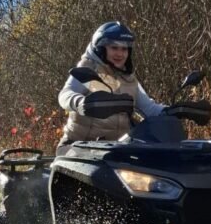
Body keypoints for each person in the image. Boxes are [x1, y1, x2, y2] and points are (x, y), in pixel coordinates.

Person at [56, 21, 165, 154]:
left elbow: (149, 108)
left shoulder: (129, 78)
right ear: (101, 48)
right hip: (78, 146)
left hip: (115, 149)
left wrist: (174, 111)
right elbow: (65, 94)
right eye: (114, 47)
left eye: (124, 49)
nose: (120, 54)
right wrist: (80, 103)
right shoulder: (89, 69)